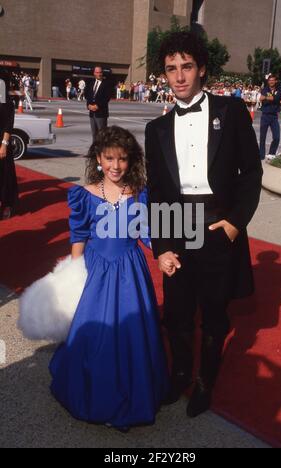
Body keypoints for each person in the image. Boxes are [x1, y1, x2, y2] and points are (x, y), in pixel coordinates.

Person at [145, 31, 263, 418]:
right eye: (171, 69)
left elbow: (250, 172)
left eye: (187, 67)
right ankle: (180, 373)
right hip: (177, 228)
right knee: (177, 313)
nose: (179, 76)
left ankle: (205, 382)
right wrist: (161, 246)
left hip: (217, 229)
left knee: (214, 313)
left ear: (202, 69)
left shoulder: (230, 112)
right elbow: (159, 192)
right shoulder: (156, 129)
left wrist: (235, 222)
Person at [49, 126, 169, 431]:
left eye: (123, 159)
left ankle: (134, 391)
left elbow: (144, 232)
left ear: (131, 161)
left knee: (132, 330)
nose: (116, 166)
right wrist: (75, 271)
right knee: (95, 333)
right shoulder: (85, 194)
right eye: (109, 158)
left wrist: (163, 254)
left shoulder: (140, 192)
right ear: (98, 158)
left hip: (130, 271)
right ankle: (93, 391)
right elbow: (79, 234)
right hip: (96, 271)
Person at [0, 70, 19, 220]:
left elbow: (8, 125)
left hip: (2, 143)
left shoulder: (7, 102)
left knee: (5, 176)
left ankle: (7, 204)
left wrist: (4, 145)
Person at [259, 74, 281, 161]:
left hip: (274, 116)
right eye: (270, 80)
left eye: (273, 80)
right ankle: (261, 155)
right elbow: (263, 101)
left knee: (277, 137)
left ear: (275, 81)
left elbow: (277, 99)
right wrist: (270, 98)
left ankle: (271, 153)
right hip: (265, 115)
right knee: (262, 137)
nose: (271, 82)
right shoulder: (265, 89)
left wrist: (266, 97)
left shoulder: (279, 89)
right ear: (268, 81)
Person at [85, 66, 112, 142]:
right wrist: (88, 105)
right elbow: (88, 95)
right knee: (94, 134)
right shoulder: (91, 83)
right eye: (97, 72)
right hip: (92, 113)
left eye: (100, 72)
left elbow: (107, 97)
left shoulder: (107, 84)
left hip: (101, 113)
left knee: (102, 134)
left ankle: (102, 150)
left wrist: (97, 106)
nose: (99, 74)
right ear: (94, 73)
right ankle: (95, 151)